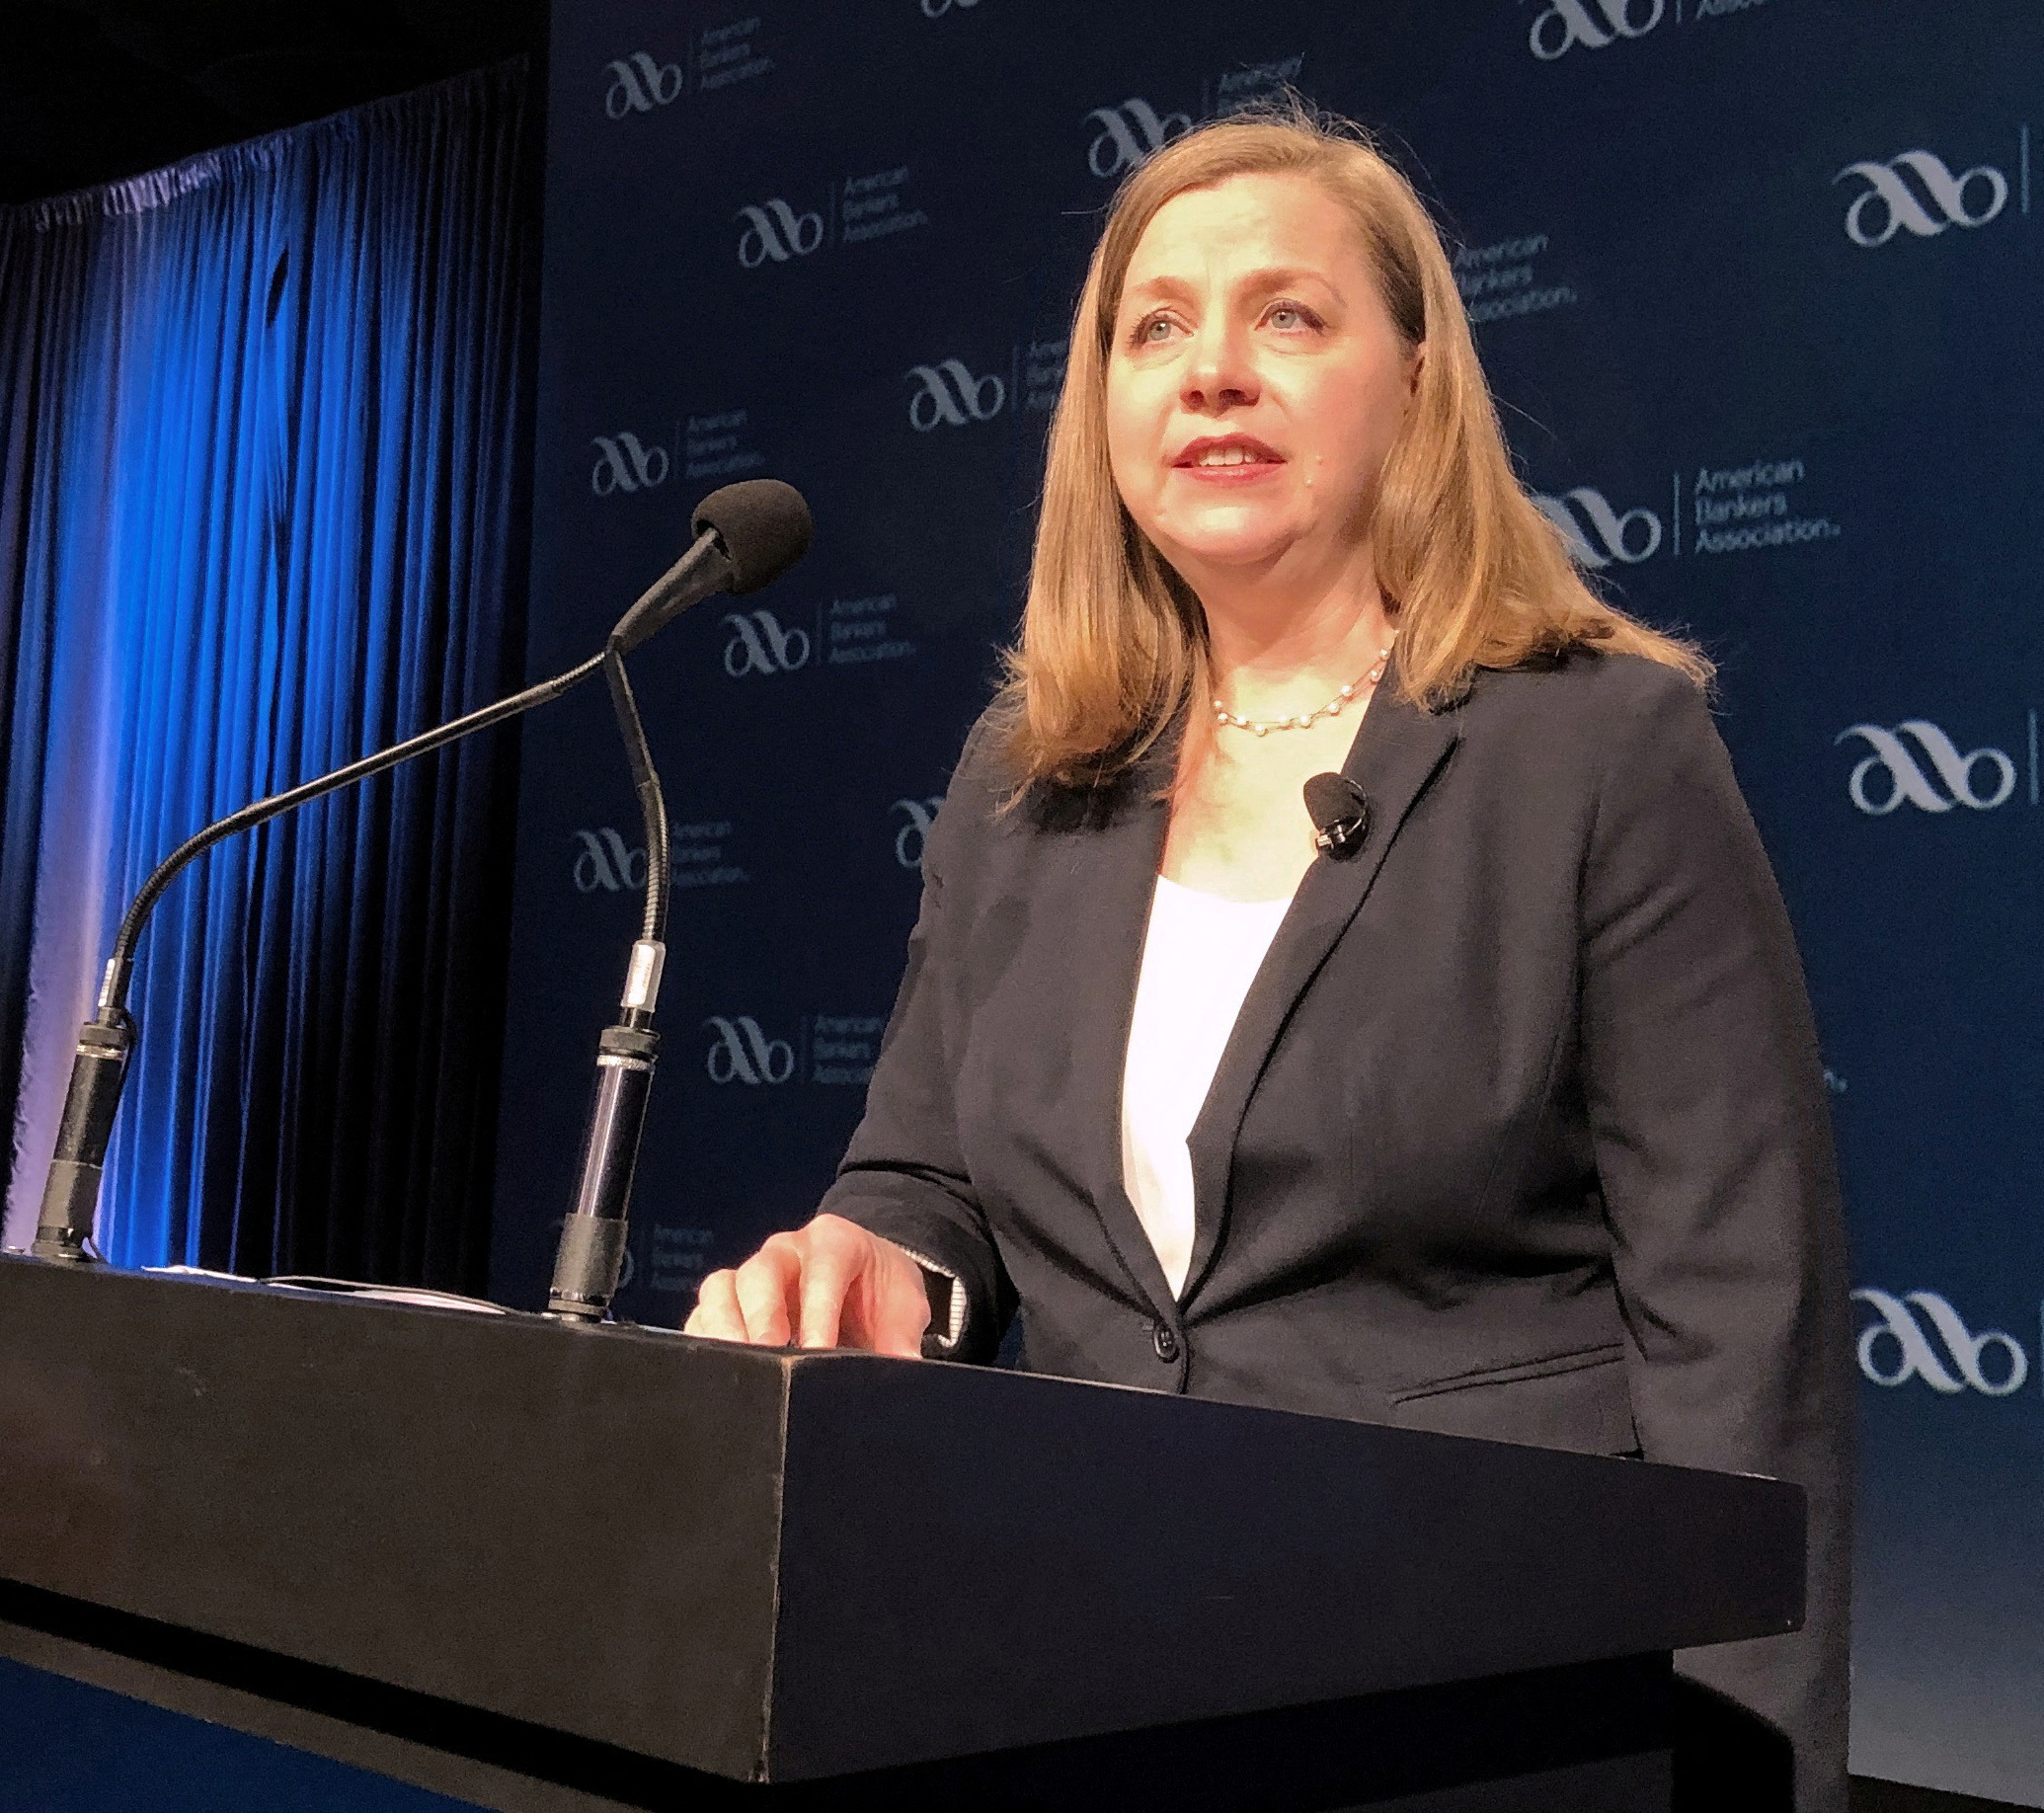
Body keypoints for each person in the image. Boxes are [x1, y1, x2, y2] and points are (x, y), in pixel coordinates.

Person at [684, 109, 1851, 1811]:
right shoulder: (1025, 780)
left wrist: (1750, 1773)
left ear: (1418, 380)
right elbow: (927, 1164)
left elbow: (1745, 1327)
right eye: (1154, 328)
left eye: (1287, 318)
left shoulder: (1599, 747)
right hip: (1080, 1673)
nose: (1211, 371)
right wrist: (884, 1261)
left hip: (1491, 1696)